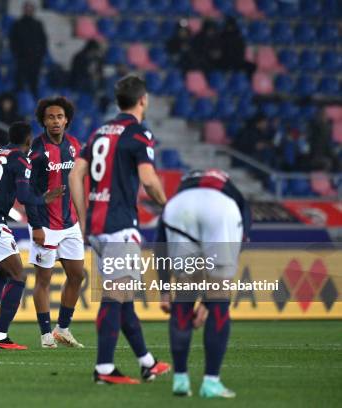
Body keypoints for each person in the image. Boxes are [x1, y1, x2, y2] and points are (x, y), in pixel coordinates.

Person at [69, 74, 170, 384]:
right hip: (120, 225)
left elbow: (75, 175)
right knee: (116, 295)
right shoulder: (139, 134)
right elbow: (149, 179)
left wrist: (84, 217)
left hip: (99, 228)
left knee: (123, 298)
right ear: (143, 101)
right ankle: (104, 369)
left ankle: (147, 362)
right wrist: (169, 205)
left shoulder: (99, 132)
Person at [0, 122, 64, 350]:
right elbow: (25, 196)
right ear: (28, 141)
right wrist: (44, 199)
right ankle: (1, 336)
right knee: (18, 276)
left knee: (3, 272)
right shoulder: (20, 159)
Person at [156, 169, 251, 398]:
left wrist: (165, 291)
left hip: (181, 209)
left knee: (184, 298)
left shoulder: (181, 191)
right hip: (221, 209)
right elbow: (242, 232)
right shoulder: (231, 192)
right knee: (220, 301)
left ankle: (180, 379)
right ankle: (211, 382)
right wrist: (209, 303)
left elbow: (160, 244)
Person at [26, 97, 85, 349]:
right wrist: (36, 226)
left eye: (59, 117)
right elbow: (28, 191)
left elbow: (79, 182)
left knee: (77, 275)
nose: (55, 121)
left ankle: (63, 328)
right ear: (43, 121)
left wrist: (84, 217)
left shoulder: (74, 146)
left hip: (70, 223)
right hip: (46, 225)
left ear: (67, 119)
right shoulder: (37, 151)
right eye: (50, 117)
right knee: (44, 280)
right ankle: (45, 333)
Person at [9, 2, 47, 96]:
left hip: (35, 60)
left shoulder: (38, 24)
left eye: (30, 9)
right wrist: (17, 54)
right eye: (27, 8)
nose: (28, 11)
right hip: (21, 59)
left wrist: (39, 55)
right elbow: (13, 41)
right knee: (19, 83)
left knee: (34, 83)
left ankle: (34, 104)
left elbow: (43, 41)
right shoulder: (17, 24)